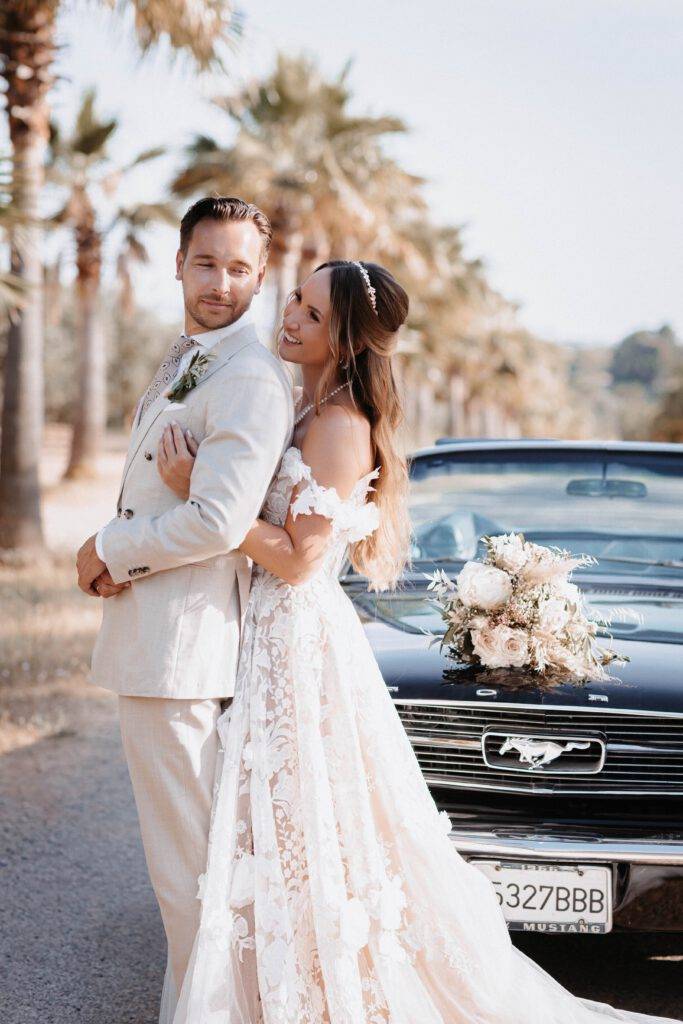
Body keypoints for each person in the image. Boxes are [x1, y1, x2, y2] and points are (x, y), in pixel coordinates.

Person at [157, 258, 679, 1024]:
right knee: (281, 821)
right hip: (267, 629)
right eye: (293, 301)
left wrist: (201, 498)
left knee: (308, 816)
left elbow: (301, 560)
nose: (289, 317)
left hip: (298, 638)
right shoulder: (301, 410)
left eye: (308, 310)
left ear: (344, 336)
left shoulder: (338, 425)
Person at [76, 197, 294, 1021]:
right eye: (206, 263)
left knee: (189, 873)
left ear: (261, 276)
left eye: (240, 268)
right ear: (178, 262)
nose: (220, 282)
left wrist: (109, 550)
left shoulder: (245, 374)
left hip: (184, 650)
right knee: (184, 871)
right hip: (157, 638)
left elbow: (217, 520)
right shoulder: (192, 357)